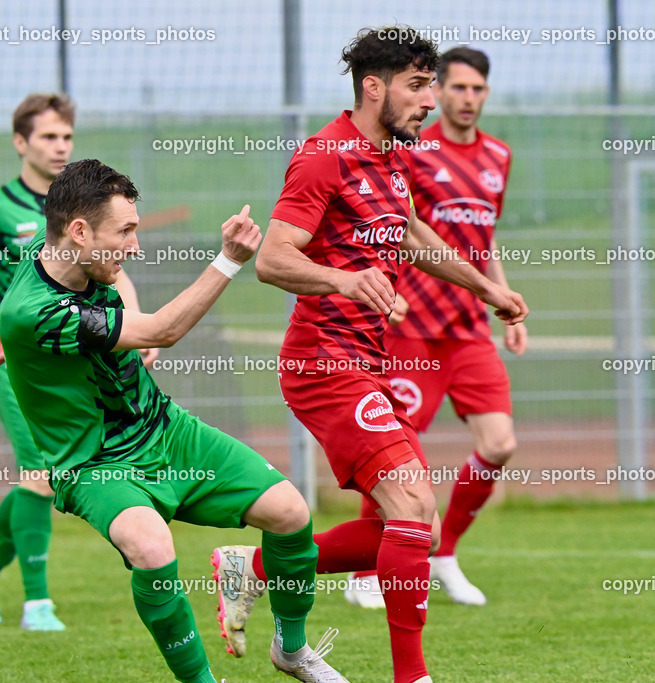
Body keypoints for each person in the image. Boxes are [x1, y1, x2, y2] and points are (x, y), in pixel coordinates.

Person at [209, 28, 527, 683]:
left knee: (415, 527)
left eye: (433, 86)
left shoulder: (392, 157)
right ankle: (413, 676)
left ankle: (251, 568)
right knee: (412, 506)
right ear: (373, 87)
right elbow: (271, 259)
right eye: (418, 86)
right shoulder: (324, 156)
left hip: (367, 361)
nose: (430, 101)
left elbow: (410, 233)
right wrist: (343, 279)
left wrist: (489, 287)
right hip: (323, 364)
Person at [0, 158, 348, 682]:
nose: (134, 246)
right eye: (125, 232)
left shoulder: (56, 238)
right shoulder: (34, 312)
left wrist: (20, 336)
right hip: (95, 463)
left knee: (291, 513)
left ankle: (292, 649)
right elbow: (161, 332)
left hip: (164, 429)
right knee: (151, 548)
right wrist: (228, 261)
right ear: (80, 232)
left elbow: (99, 307)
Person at [0, 93, 151, 630]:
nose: (60, 145)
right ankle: (37, 603)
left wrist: (135, 326)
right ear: (21, 143)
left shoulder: (81, 210)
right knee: (41, 472)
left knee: (40, 476)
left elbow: (114, 268)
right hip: (16, 362)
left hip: (76, 358)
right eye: (47, 136)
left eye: (66, 136)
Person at [346, 46, 522, 609]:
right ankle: (365, 571)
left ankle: (444, 552)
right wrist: (385, 288)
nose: (467, 98)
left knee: (500, 444)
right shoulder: (413, 151)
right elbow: (394, 228)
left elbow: (483, 242)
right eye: (457, 88)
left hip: (470, 328)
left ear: (486, 95)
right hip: (412, 324)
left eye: (478, 89)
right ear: (438, 92)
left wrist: (503, 298)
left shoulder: (499, 156)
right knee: (394, 450)